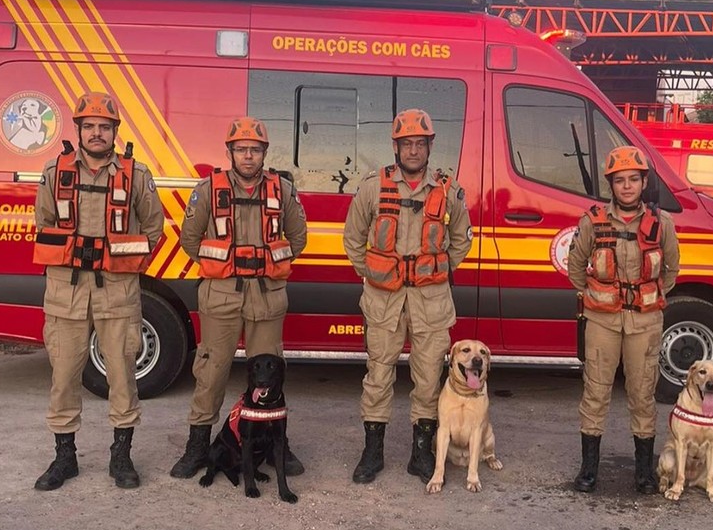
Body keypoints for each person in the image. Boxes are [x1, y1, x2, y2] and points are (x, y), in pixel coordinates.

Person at [32, 91, 164, 491]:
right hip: (66, 292)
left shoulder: (135, 175)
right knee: (64, 376)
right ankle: (64, 458)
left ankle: (121, 456)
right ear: (78, 130)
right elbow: (44, 222)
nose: (96, 133)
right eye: (89, 126)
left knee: (122, 375)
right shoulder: (55, 172)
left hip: (117, 292)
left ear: (114, 132)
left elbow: (153, 229)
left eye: (104, 127)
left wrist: (122, 262)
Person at [170, 117, 308, 480]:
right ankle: (198, 445)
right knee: (211, 372)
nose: (248, 156)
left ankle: (278, 444)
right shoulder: (208, 189)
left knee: (271, 376)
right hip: (221, 295)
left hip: (267, 296)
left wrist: (269, 263)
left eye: (255, 149)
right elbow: (189, 239)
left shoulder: (284, 191)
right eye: (241, 149)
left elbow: (298, 238)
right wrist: (222, 265)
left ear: (264, 152)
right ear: (230, 152)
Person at [342, 108, 472, 484]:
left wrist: (439, 270)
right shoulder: (372, 186)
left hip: (431, 300)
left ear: (430, 145)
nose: (413, 150)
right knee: (378, 375)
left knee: (429, 378)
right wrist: (373, 274)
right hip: (384, 300)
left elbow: (461, 239)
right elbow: (353, 238)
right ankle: (372, 452)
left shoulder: (449, 190)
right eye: (406, 144)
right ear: (395, 147)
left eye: (420, 143)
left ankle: (421, 453)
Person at [566, 145, 680, 495]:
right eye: (620, 181)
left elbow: (671, 272)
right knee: (595, 393)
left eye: (633, 179)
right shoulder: (593, 222)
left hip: (644, 323)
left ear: (644, 182)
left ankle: (644, 472)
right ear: (610, 185)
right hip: (602, 322)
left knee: (643, 394)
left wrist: (641, 300)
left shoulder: (662, 224)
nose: (627, 186)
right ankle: (589, 469)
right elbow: (575, 267)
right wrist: (600, 296)